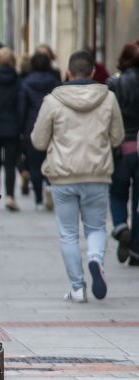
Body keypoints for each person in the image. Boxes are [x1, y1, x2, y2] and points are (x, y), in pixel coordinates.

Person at [31, 50, 124, 302]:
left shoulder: (52, 101)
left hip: (63, 175)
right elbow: (117, 137)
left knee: (68, 233)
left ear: (68, 73)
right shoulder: (108, 99)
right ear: (93, 72)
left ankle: (77, 288)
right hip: (97, 173)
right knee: (95, 227)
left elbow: (38, 141)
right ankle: (95, 258)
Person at [107, 41, 139, 264]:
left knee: (117, 192)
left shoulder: (114, 83)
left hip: (121, 146)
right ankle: (136, 251)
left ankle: (120, 227)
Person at [21, 51, 62, 210]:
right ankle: (50, 187)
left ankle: (38, 199)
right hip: (53, 125)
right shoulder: (55, 83)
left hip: (32, 126)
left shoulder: (26, 83)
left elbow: (22, 107)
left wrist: (22, 128)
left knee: (34, 165)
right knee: (51, 159)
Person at [0, 47, 24, 211]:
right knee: (10, 164)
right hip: (12, 128)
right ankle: (10, 196)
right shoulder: (19, 82)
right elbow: (21, 106)